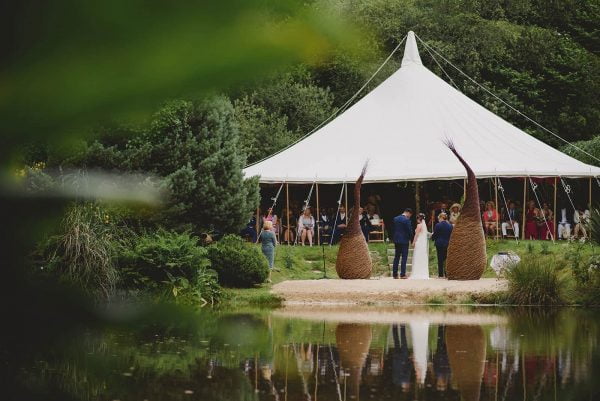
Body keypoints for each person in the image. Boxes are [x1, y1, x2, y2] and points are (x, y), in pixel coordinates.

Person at [392, 208, 414, 279]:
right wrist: (412, 240)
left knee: (396, 257)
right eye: (410, 215)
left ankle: (395, 274)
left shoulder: (395, 218)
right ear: (408, 213)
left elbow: (393, 229)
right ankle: (402, 274)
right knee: (404, 257)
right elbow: (409, 231)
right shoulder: (406, 220)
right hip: (404, 240)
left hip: (396, 239)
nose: (409, 216)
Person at [431, 212, 453, 278]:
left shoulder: (438, 225)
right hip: (447, 243)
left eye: (439, 218)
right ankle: (447, 273)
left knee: (440, 259)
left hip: (439, 244)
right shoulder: (450, 226)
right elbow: (451, 235)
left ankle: (440, 274)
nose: (438, 219)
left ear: (441, 217)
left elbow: (435, 234)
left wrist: (432, 238)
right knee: (446, 259)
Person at [410, 213, 429, 279]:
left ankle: (417, 272)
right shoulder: (424, 226)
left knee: (417, 255)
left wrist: (413, 242)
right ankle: (423, 272)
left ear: (419, 219)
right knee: (422, 256)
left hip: (419, 242)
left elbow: (416, 235)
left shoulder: (419, 225)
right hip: (423, 243)